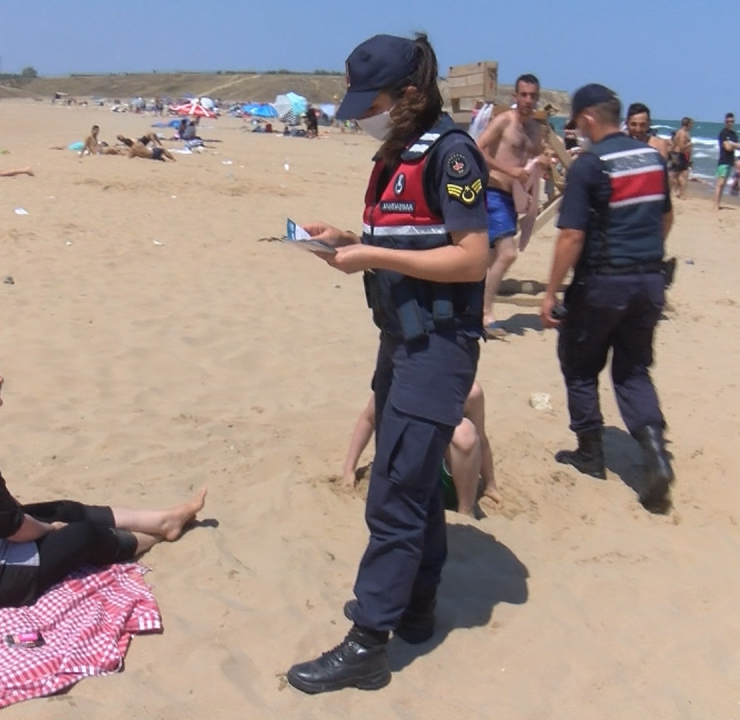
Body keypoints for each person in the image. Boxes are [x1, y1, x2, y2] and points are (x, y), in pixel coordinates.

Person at [284, 32, 489, 695]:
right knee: (416, 482)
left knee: (395, 489)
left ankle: (371, 642)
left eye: (370, 103)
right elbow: (405, 236)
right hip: (399, 339)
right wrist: (348, 240)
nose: (361, 115)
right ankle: (417, 604)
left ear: (410, 94)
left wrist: (371, 258)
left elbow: (471, 257)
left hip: (438, 345)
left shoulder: (453, 156)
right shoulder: (398, 152)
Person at [0, 341, 206, 617]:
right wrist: (51, 530)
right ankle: (150, 538)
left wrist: (50, 522)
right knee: (81, 535)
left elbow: (0, 517)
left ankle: (162, 520)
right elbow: (15, 529)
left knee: (65, 510)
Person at [540, 84, 675, 514]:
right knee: (633, 369)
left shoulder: (591, 165)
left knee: (579, 361)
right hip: (650, 280)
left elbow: (572, 235)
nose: (575, 130)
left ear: (589, 119)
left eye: (577, 122)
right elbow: (666, 216)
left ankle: (590, 452)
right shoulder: (652, 158)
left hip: (603, 282)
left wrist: (550, 291)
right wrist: (643, 256)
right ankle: (655, 454)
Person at [341, 381, 499, 517]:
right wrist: (349, 469)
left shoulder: (469, 392)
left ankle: (465, 511)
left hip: (446, 480)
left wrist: (490, 484)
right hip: (403, 476)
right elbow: (369, 418)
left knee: (464, 431)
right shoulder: (403, 379)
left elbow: (481, 439)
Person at [475, 73, 548, 335]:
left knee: (491, 256)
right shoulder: (505, 121)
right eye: (524, 95)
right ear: (515, 97)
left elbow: (536, 157)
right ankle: (485, 314)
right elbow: (478, 149)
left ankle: (471, 307)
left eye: (533, 95)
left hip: (513, 200)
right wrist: (509, 170)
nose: (528, 100)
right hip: (492, 193)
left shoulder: (536, 130)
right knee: (507, 253)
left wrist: (544, 167)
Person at [713, 113, 740, 209]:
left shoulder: (733, 134)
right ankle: (715, 204)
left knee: (723, 183)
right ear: (725, 122)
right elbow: (727, 147)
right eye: (728, 121)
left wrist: (732, 145)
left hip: (730, 161)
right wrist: (733, 145)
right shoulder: (723, 133)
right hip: (723, 160)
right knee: (720, 183)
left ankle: (718, 202)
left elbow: (738, 145)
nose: (730, 123)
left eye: (732, 121)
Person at [669, 117, 693, 199]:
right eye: (691, 124)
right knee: (683, 175)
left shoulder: (679, 132)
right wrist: (690, 144)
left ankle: (676, 192)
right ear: (687, 124)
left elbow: (674, 143)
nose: (692, 126)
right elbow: (682, 146)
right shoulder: (683, 133)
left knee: (676, 175)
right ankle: (682, 194)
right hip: (680, 155)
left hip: (678, 154)